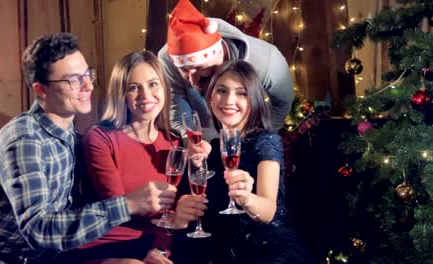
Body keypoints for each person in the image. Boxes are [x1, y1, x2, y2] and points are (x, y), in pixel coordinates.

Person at [0, 34, 176, 264]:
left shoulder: (73, 139)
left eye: (87, 74)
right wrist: (128, 204)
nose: (88, 85)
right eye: (73, 80)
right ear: (41, 89)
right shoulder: (25, 139)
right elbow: (40, 230)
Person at [172, 60, 315, 263]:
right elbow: (194, 213)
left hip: (267, 252)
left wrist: (247, 198)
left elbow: (268, 211)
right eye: (221, 91)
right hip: (223, 253)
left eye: (242, 93)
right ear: (210, 97)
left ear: (253, 100)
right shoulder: (209, 148)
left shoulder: (266, 142)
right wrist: (183, 209)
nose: (229, 100)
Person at [74, 50, 209, 264]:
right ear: (121, 94)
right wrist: (173, 218)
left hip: (153, 247)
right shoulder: (100, 138)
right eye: (134, 88)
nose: (146, 96)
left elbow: (169, 218)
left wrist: (160, 250)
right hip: (106, 247)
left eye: (153, 84)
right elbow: (119, 209)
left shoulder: (173, 142)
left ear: (164, 87)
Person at [158, 0, 294, 142]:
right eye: (185, 71)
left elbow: (282, 103)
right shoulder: (167, 58)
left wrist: (260, 139)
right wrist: (196, 143)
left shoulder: (268, 61)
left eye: (199, 68)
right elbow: (178, 108)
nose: (193, 82)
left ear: (219, 54)